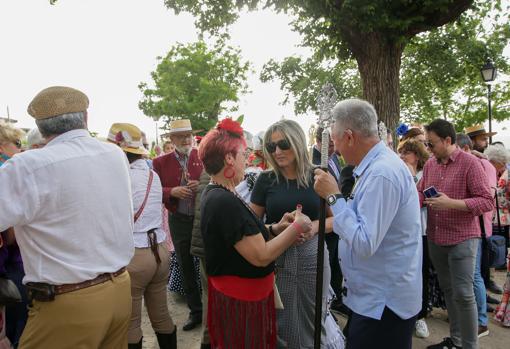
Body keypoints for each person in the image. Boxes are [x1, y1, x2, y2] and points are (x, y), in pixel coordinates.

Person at [0, 86, 134, 348]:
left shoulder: (28, 165)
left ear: (41, 126)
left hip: (68, 303)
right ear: (85, 118)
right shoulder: (114, 154)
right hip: (118, 288)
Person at [313, 99, 422, 349]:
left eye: (336, 140)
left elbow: (364, 242)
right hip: (374, 300)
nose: (336, 149)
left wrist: (333, 197)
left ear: (349, 137)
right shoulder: (374, 167)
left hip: (384, 305)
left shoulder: (382, 173)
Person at [199, 117, 314, 349]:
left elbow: (243, 236)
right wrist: (296, 228)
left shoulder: (223, 194)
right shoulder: (222, 200)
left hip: (244, 300)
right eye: (243, 155)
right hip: (241, 303)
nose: (248, 160)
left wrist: (275, 228)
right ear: (229, 158)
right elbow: (260, 255)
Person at [251, 119, 343, 348]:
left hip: (314, 258)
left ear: (297, 141)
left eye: (283, 144)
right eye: (271, 147)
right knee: (282, 320)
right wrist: (279, 227)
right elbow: (252, 225)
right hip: (279, 257)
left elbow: (338, 217)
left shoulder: (318, 175)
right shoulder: (266, 180)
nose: (278, 151)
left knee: (314, 317)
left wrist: (312, 227)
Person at [418, 119, 494, 349]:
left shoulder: (471, 164)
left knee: (463, 293)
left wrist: (452, 203)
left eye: (431, 144)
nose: (428, 149)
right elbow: (421, 192)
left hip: (463, 238)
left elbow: (486, 201)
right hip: (436, 237)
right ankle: (457, 340)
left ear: (448, 140)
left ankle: (469, 345)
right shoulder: (431, 165)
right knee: (449, 290)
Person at [107, 123, 176, 349]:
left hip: (135, 255)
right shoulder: (152, 175)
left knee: (132, 323)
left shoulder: (121, 177)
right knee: (162, 315)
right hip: (159, 251)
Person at [152, 119, 203, 331]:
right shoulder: (160, 162)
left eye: (188, 135)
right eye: (181, 136)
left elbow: (215, 181)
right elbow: (154, 190)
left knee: (208, 264)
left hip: (202, 218)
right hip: (179, 220)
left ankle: (212, 310)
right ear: (171, 139)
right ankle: (196, 312)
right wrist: (171, 191)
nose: (186, 139)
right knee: (186, 266)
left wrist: (200, 185)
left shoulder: (203, 157)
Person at [456, 133, 496, 337]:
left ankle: (481, 322)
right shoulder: (481, 163)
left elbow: (485, 198)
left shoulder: (479, 164)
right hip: (478, 227)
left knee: (474, 277)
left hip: (478, 228)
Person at [398, 139, 431, 338]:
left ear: (417, 156)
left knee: (421, 274)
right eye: (400, 153)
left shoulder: (424, 175)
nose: (402, 156)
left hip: (423, 231)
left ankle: (420, 317)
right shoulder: (399, 173)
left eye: (406, 153)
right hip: (405, 233)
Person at [312, 127, 345, 313]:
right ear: (321, 141)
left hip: (336, 214)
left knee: (335, 262)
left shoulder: (333, 159)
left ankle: (337, 299)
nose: (333, 148)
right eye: (330, 144)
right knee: (329, 263)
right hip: (327, 217)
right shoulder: (316, 162)